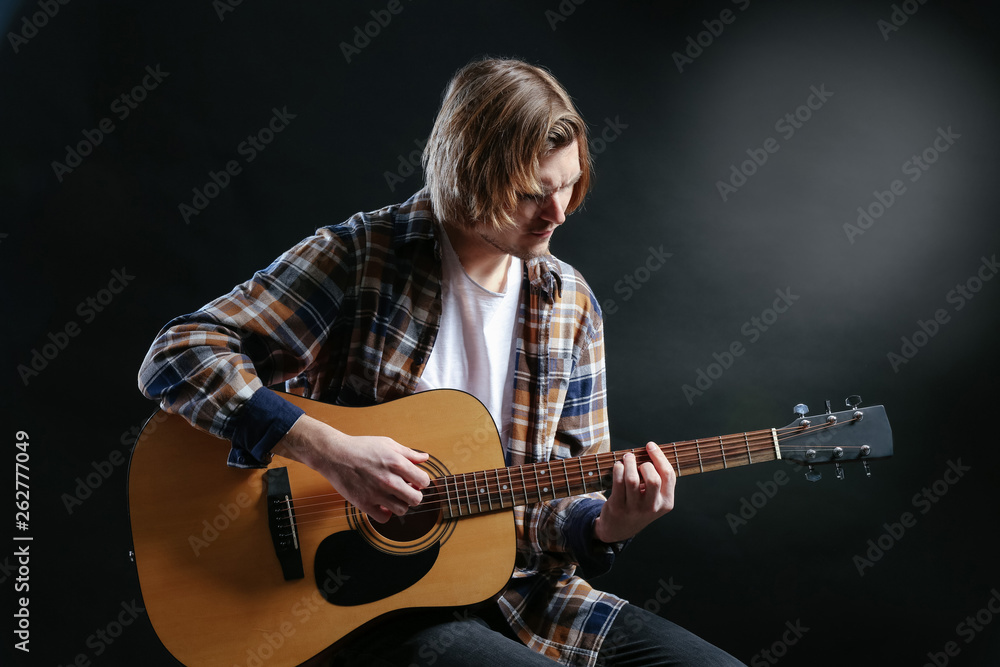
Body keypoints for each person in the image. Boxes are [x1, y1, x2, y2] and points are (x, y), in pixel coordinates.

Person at [138, 57, 743, 667]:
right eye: (533, 193)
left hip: (522, 597)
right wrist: (326, 450)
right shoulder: (360, 257)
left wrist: (606, 525)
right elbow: (178, 354)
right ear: (468, 174)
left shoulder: (572, 305)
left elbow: (559, 491)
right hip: (360, 604)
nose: (558, 212)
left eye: (568, 183)